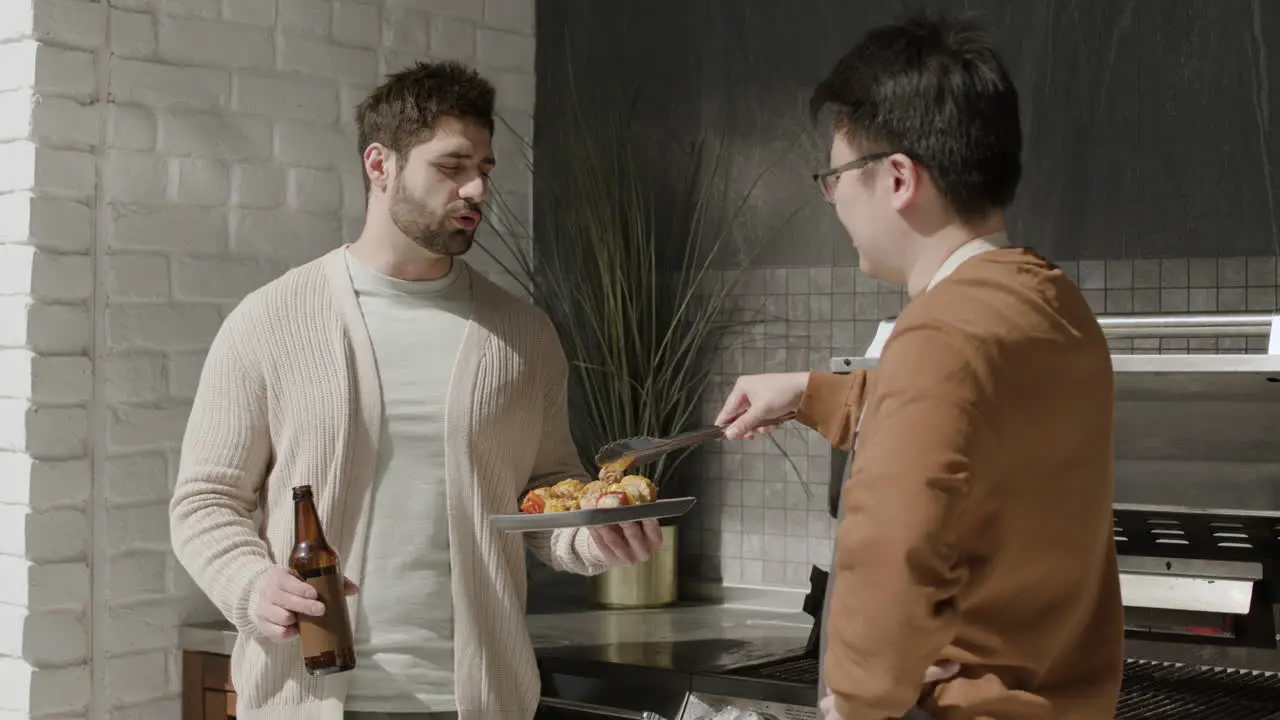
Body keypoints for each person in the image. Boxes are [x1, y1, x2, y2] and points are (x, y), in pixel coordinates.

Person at [169, 60, 663, 720]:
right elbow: (206, 500)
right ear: (381, 165)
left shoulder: (522, 334)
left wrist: (594, 538)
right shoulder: (270, 319)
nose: (475, 188)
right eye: (451, 165)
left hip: (478, 703)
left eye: (485, 168)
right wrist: (251, 583)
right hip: (306, 701)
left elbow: (547, 494)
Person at [715, 14, 1123, 720]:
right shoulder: (1053, 306)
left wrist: (854, 700)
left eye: (835, 174)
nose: (833, 196)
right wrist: (811, 394)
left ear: (899, 177)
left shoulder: (936, 333)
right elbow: (966, 419)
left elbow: (892, 550)